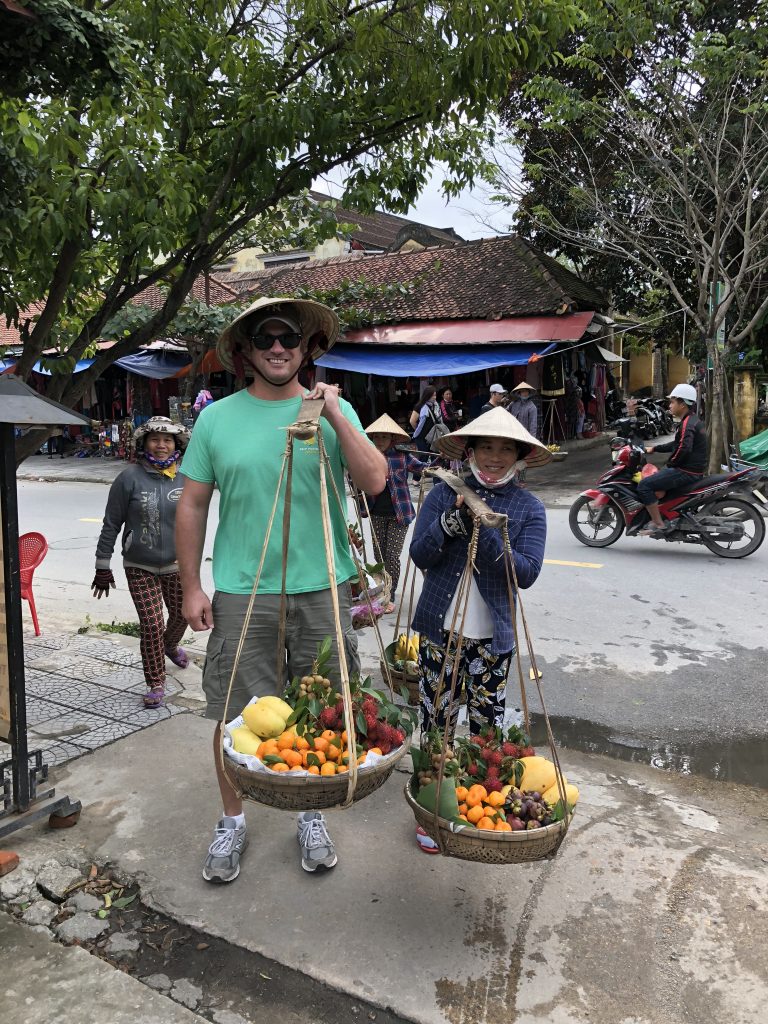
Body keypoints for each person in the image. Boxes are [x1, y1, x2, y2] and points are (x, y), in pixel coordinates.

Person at [176, 296, 386, 883]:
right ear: (244, 351)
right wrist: (192, 586)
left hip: (323, 586)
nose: (277, 347)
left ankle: (311, 812)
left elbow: (375, 480)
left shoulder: (329, 413)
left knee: (320, 707)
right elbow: (192, 505)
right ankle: (232, 820)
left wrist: (336, 413)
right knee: (232, 713)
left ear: (306, 349)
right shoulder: (216, 419)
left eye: (288, 338)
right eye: (264, 339)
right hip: (243, 591)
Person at [409, 407, 550, 851]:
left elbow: (524, 573)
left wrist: (487, 528)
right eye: (486, 447)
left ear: (518, 455)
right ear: (469, 450)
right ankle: (432, 811)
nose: (494, 457)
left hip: (493, 642)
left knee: (486, 731)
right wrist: (447, 526)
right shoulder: (443, 492)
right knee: (437, 724)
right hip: (439, 632)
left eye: (504, 449)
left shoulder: (529, 508)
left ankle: (481, 808)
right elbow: (419, 555)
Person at [92, 417, 191, 708]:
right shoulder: (129, 478)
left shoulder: (186, 478)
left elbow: (194, 521)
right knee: (150, 624)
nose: (161, 446)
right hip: (139, 565)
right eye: (155, 440)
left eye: (168, 440)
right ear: (144, 443)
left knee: (183, 614)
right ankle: (156, 681)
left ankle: (170, 645)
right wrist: (102, 563)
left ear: (176, 445)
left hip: (177, 564)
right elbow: (111, 523)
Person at [364, 414, 426, 613]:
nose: (380, 441)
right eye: (377, 437)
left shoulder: (402, 456)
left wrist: (442, 467)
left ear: (392, 439)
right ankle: (384, 587)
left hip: (400, 514)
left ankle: (389, 593)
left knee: (392, 555)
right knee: (379, 555)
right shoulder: (366, 455)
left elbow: (423, 468)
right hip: (376, 514)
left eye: (384, 437)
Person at [638, 383, 707, 536]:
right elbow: (677, 444)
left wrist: (670, 465)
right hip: (692, 469)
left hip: (685, 471)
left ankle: (658, 523)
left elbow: (684, 449)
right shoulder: (692, 420)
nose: (669, 406)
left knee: (644, 485)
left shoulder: (687, 424)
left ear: (682, 404)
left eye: (672, 402)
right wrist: (654, 448)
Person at [410, 386, 441, 456]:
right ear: (427, 395)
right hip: (421, 438)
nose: (434, 397)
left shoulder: (436, 406)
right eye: (432, 395)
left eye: (435, 395)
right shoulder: (419, 406)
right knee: (424, 457)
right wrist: (419, 430)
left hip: (433, 437)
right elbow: (412, 421)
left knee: (434, 456)